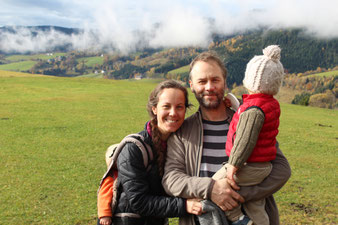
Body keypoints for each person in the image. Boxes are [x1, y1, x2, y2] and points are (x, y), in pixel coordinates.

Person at [162, 51, 291, 225]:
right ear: (191, 85)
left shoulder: (247, 119)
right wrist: (211, 189)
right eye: (202, 81)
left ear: (225, 82)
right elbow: (171, 179)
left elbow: (281, 169)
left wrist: (237, 196)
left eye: (215, 80)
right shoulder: (182, 131)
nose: (209, 87)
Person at [97, 80, 203, 225]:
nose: (173, 113)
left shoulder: (180, 146)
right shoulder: (134, 148)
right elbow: (138, 201)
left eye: (179, 107)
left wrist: (229, 104)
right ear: (154, 109)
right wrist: (185, 206)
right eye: (166, 106)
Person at [210, 45, 286, 225]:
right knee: (256, 204)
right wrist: (237, 105)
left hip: (248, 166)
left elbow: (245, 139)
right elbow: (252, 117)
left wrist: (233, 165)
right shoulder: (267, 104)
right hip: (263, 166)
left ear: (251, 79)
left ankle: (238, 218)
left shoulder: (253, 111)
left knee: (215, 185)